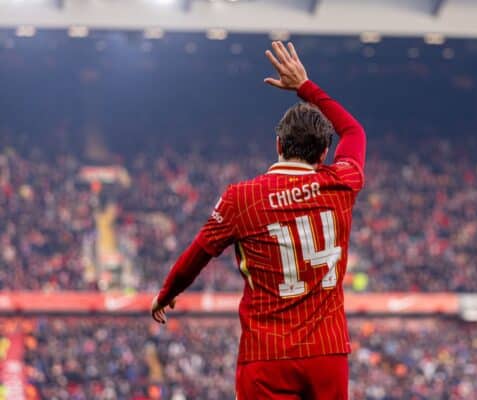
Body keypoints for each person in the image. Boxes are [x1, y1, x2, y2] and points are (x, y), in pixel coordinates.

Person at [151, 41, 366, 399]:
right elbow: (355, 131)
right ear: (325, 153)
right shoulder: (341, 182)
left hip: (267, 355)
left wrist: (167, 292)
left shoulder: (243, 198)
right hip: (328, 353)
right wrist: (305, 87)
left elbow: (198, 253)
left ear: (278, 144)